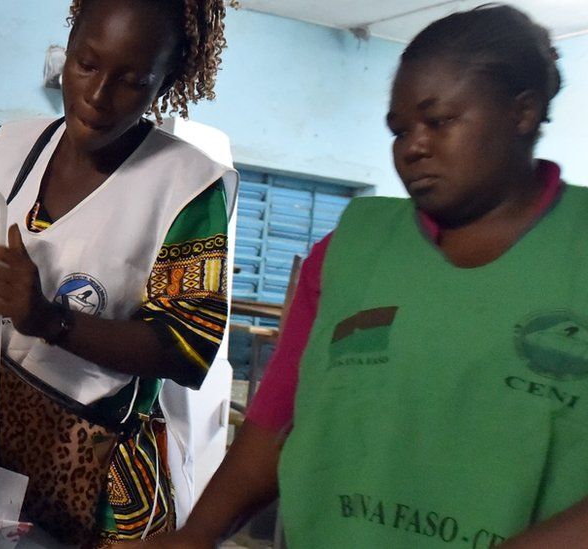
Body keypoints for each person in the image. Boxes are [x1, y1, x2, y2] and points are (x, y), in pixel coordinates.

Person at [132, 5, 585, 548]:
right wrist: (195, 535)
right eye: (399, 130)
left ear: (523, 112)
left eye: (438, 121)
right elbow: (276, 421)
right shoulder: (353, 249)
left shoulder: (573, 250)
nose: (412, 146)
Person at [0, 0, 235, 545]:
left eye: (132, 81)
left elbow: (188, 350)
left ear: (166, 81)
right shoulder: (12, 146)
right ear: (66, 52)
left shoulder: (186, 186)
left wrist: (49, 320)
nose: (96, 96)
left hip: (95, 478)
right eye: (86, 65)